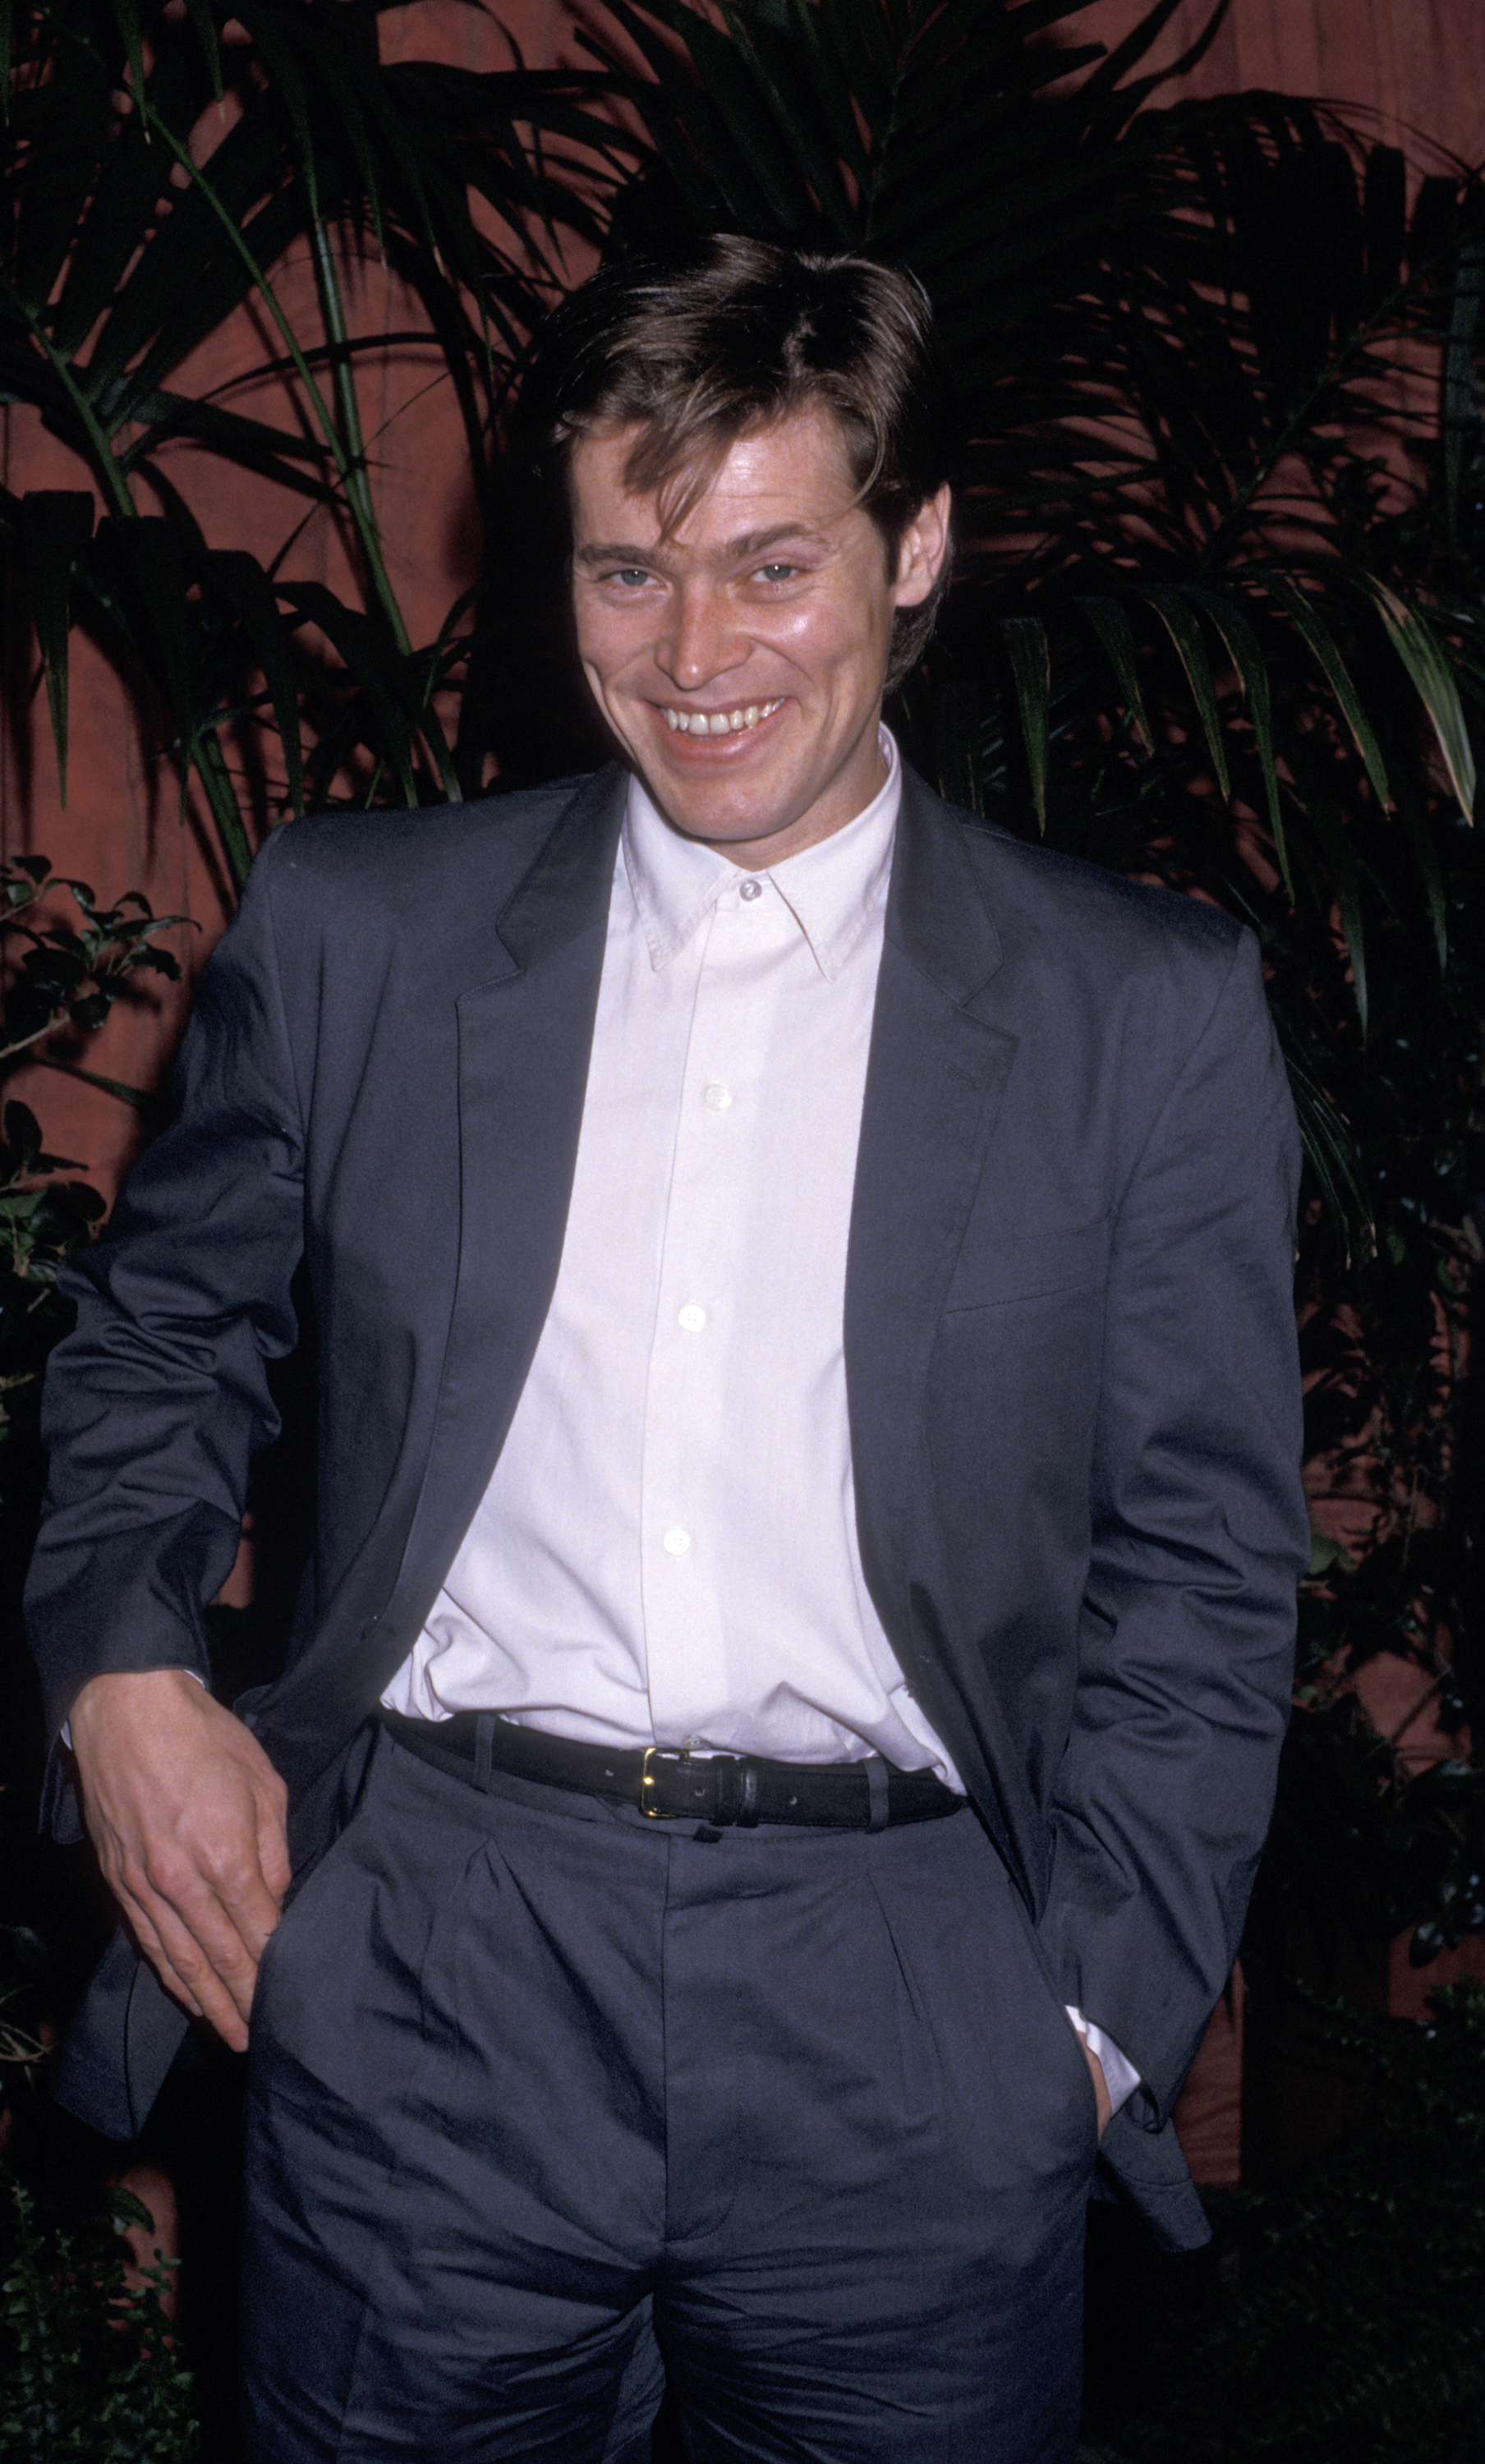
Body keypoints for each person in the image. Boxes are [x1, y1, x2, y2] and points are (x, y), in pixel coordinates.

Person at [25, 233, 1308, 2462]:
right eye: (629, 573)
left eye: (768, 564)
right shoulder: (364, 933)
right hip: (437, 1953)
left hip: (909, 1982)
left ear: (914, 547)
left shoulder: (1143, 1014)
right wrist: (122, 1668)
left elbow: (1202, 1565)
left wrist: (1087, 2021)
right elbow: (161, 1332)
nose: (695, 653)